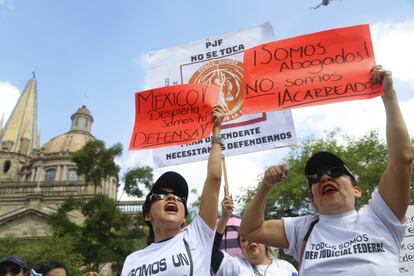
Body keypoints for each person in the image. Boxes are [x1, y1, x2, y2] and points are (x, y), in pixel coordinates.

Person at [239, 65, 413, 275]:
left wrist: (388, 95)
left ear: (356, 190)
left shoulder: (380, 217)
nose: (324, 177)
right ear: (313, 200)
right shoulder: (303, 229)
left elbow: (402, 158)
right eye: (315, 176)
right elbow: (249, 230)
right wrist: (265, 187)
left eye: (334, 171)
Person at [121, 105, 226, 276]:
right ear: (148, 215)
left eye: (179, 197)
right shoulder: (132, 260)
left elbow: (214, 179)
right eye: (161, 194)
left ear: (184, 218)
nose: (171, 197)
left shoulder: (197, 236)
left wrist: (216, 130)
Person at [211, 196, 298, 275]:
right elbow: (211, 251)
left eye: (253, 237)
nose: (249, 241)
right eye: (243, 240)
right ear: (242, 249)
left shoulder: (286, 267)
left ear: (265, 242)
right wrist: (225, 218)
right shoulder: (235, 266)